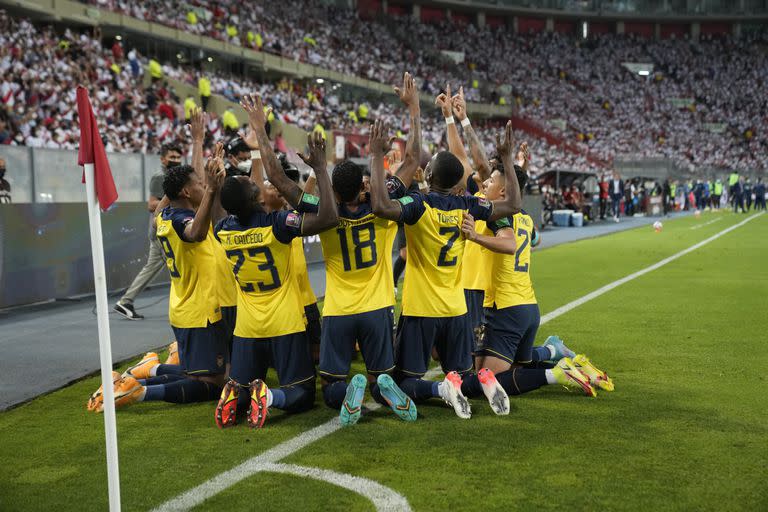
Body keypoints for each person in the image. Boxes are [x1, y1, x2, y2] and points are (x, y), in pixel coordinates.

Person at [370, 120, 527, 419]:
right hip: (456, 309)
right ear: (457, 184)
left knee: (402, 381)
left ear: (428, 175)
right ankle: (482, 380)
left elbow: (380, 206)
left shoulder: (419, 204)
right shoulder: (468, 204)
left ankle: (439, 390)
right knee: (460, 373)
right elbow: (514, 204)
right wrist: (507, 158)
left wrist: (377, 156)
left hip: (421, 308)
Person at [213, 98, 338, 430]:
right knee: (300, 393)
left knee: (240, 382)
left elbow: (234, 201)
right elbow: (326, 216)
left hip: (247, 326)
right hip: (284, 322)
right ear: (256, 199)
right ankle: (269, 397)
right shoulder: (278, 225)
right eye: (256, 187)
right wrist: (261, 132)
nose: (260, 184)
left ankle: (236, 394)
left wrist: (253, 146)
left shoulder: (224, 230)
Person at [305, 73, 422, 426]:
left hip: (339, 309)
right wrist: (413, 109)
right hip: (378, 306)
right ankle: (378, 386)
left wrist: (318, 169)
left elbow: (290, 191)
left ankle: (346, 391)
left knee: (330, 389)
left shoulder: (325, 213)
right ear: (363, 186)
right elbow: (414, 158)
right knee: (379, 379)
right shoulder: (381, 203)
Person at [458, 147, 613, 405]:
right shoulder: (526, 220)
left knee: (483, 381)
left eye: (490, 182)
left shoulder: (495, 214)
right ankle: (560, 355)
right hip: (528, 306)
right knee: (514, 370)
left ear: (504, 191)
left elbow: (507, 242)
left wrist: (475, 235)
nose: (484, 185)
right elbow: (536, 239)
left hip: (505, 308)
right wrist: (517, 168)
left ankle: (556, 372)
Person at [88, 160, 230, 412]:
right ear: (186, 192)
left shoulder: (163, 216)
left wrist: (200, 174)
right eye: (199, 183)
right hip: (201, 311)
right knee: (214, 384)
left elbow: (163, 209)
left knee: (196, 373)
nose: (204, 185)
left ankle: (140, 375)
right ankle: (138, 392)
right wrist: (211, 190)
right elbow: (195, 233)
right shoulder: (182, 219)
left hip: (183, 307)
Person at [114, 142, 182, 319]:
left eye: (177, 157)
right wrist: (173, 200)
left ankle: (125, 301)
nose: (175, 160)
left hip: (163, 230)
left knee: (151, 268)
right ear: (163, 159)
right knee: (180, 267)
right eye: (172, 157)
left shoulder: (174, 175)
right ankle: (186, 305)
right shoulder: (161, 177)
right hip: (161, 231)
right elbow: (151, 204)